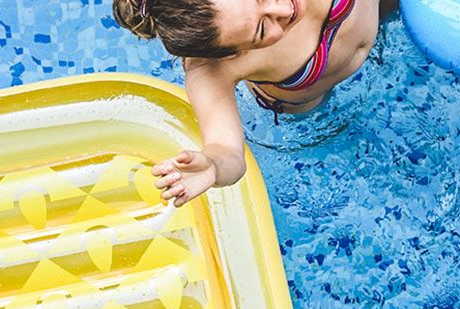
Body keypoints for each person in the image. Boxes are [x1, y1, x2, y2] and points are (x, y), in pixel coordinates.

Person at [111, 0, 394, 205]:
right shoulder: (212, 69)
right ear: (231, 54)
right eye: (261, 30)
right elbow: (227, 150)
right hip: (312, 96)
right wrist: (213, 166)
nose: (283, 10)